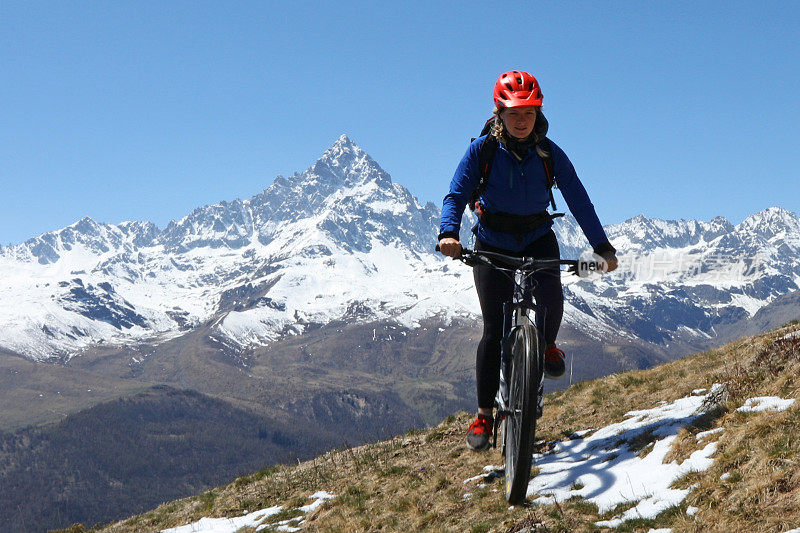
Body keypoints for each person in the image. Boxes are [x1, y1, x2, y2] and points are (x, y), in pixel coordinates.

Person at [438, 70, 618, 451]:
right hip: (492, 243)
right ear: (499, 114)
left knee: (551, 294)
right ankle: (485, 414)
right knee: (492, 329)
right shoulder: (482, 151)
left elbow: (578, 199)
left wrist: (602, 246)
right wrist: (448, 233)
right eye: (514, 114)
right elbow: (456, 194)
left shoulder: (550, 153)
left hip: (538, 238)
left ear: (538, 114)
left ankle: (548, 345)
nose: (522, 121)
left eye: (529, 113)